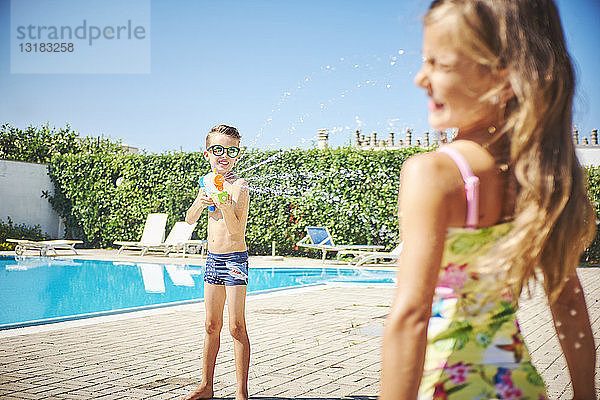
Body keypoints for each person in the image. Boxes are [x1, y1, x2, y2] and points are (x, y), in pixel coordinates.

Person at [380, 1, 597, 399]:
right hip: (518, 386)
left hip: (445, 387)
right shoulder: (541, 177)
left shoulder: (435, 174)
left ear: (504, 75)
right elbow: (568, 304)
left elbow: (411, 317)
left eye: (437, 63)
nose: (419, 78)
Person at [184, 124, 250, 400]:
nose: (224, 156)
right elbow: (189, 219)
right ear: (207, 153)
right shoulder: (205, 182)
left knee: (236, 326)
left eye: (230, 151)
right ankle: (206, 386)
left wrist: (224, 205)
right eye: (218, 150)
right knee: (212, 325)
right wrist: (200, 202)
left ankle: (241, 391)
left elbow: (237, 232)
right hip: (213, 259)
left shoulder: (240, 186)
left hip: (234, 259)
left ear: (237, 154)